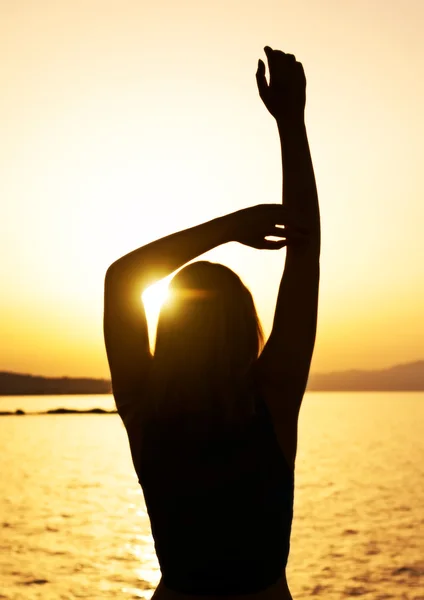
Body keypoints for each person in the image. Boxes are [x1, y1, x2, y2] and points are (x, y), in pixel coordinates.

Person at [104, 46, 320, 600]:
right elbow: (305, 255)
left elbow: (121, 278)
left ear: (170, 333)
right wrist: (291, 124)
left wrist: (228, 227)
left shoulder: (145, 408)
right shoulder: (272, 399)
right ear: (245, 329)